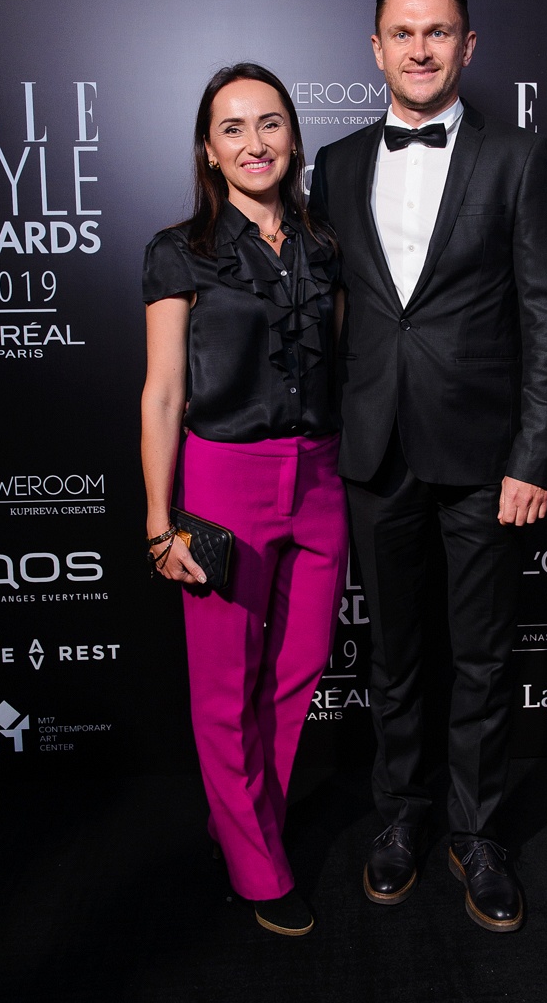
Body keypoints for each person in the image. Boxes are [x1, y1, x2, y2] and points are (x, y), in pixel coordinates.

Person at [309, 0, 547, 932]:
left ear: (467, 45)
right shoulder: (335, 164)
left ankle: (479, 834)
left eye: (437, 31)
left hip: (484, 458)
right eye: (402, 32)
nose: (419, 49)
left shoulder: (518, 157)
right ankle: (400, 817)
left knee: (482, 659)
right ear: (375, 48)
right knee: (392, 657)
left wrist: (533, 458)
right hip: (374, 447)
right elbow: (334, 313)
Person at [141, 63, 348, 937]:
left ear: (293, 137)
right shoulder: (178, 250)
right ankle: (258, 867)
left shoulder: (326, 245)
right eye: (232, 127)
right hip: (224, 481)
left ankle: (248, 821)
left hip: (322, 479)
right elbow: (162, 394)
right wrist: (160, 524)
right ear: (208, 149)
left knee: (296, 675)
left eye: (269, 123)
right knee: (226, 690)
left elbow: (342, 366)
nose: (254, 142)